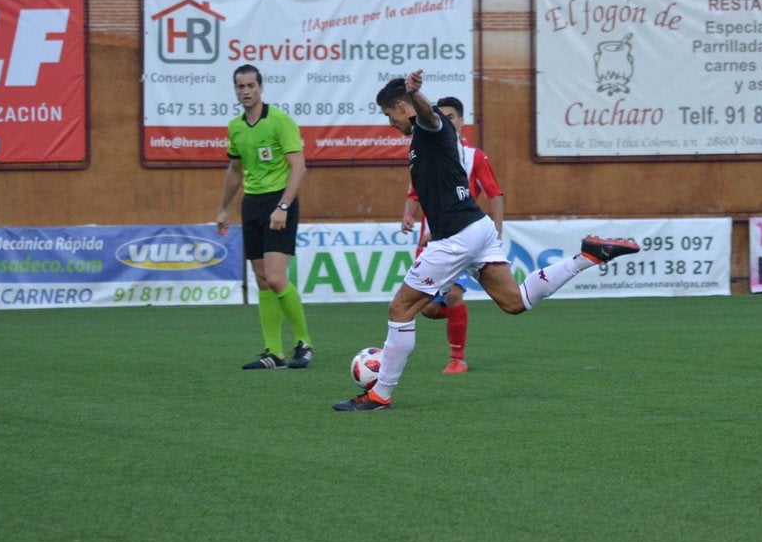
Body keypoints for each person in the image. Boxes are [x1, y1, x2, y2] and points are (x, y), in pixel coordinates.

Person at [334, 70, 639, 411]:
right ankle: (587, 257)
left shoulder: (427, 127)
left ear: (402, 107)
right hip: (475, 228)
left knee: (401, 308)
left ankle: (379, 395)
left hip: (457, 236)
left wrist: (416, 94)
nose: (389, 123)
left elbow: (428, 115)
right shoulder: (423, 140)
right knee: (514, 301)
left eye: (389, 114)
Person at [214, 64, 315, 370]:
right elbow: (234, 171)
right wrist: (223, 208)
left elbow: (299, 167)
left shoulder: (279, 121)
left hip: (279, 202)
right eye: (240, 86)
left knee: (275, 277)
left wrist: (283, 206)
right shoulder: (236, 127)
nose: (245, 91)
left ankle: (304, 343)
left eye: (250, 86)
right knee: (262, 281)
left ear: (261, 88)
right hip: (252, 205)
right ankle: (275, 352)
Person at [401, 95, 504, 374]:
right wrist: (408, 214)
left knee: (454, 294)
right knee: (429, 309)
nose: (446, 121)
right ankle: (459, 319)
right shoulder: (426, 147)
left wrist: (498, 232)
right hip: (431, 238)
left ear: (461, 121)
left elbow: (495, 194)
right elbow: (415, 193)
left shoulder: (474, 156)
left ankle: (457, 358)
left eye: (451, 117)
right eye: (441, 116)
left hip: (460, 235)